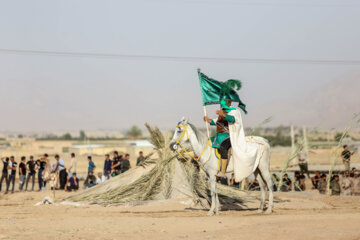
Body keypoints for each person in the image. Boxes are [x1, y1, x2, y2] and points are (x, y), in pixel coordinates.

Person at [204, 99, 235, 178]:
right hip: (219, 135)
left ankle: (223, 171)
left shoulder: (232, 111)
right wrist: (208, 120)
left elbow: (232, 119)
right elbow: (216, 122)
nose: (221, 105)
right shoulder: (222, 111)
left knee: (223, 147)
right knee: (206, 142)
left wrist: (223, 115)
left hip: (228, 136)